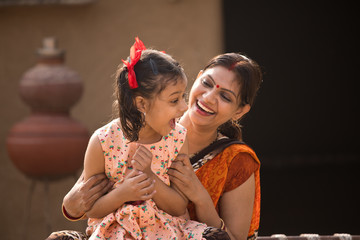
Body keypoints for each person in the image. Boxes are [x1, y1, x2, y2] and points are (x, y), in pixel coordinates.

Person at [48, 52, 262, 240]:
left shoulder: (235, 159)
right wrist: (70, 205)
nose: (208, 97)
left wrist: (199, 197)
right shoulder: (126, 131)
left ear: (239, 111)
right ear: (196, 79)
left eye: (225, 96)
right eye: (206, 83)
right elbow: (84, 200)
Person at [63, 37, 210, 240]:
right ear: (141, 103)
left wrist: (150, 177)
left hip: (167, 232)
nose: (184, 107)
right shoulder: (103, 142)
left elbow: (178, 206)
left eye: (183, 97)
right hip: (117, 232)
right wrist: (122, 193)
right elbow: (92, 210)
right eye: (174, 100)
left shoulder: (176, 139)